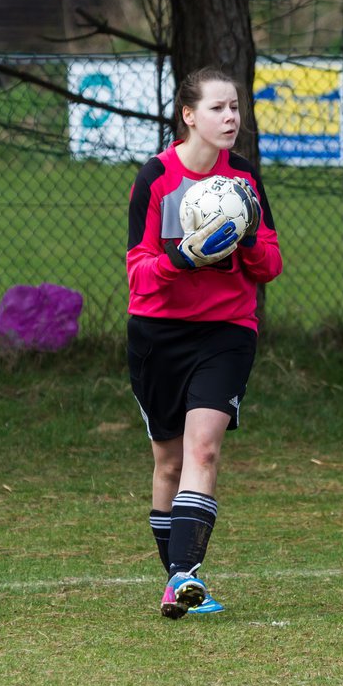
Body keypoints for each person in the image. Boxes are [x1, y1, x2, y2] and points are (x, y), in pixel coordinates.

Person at [125, 66, 283, 619]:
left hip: (226, 331)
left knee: (204, 450)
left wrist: (240, 240)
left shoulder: (243, 180)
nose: (231, 117)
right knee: (168, 463)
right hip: (158, 334)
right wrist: (183, 257)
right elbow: (138, 275)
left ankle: (186, 578)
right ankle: (177, 580)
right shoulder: (156, 178)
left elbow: (272, 264)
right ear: (189, 116)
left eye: (235, 107)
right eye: (218, 108)